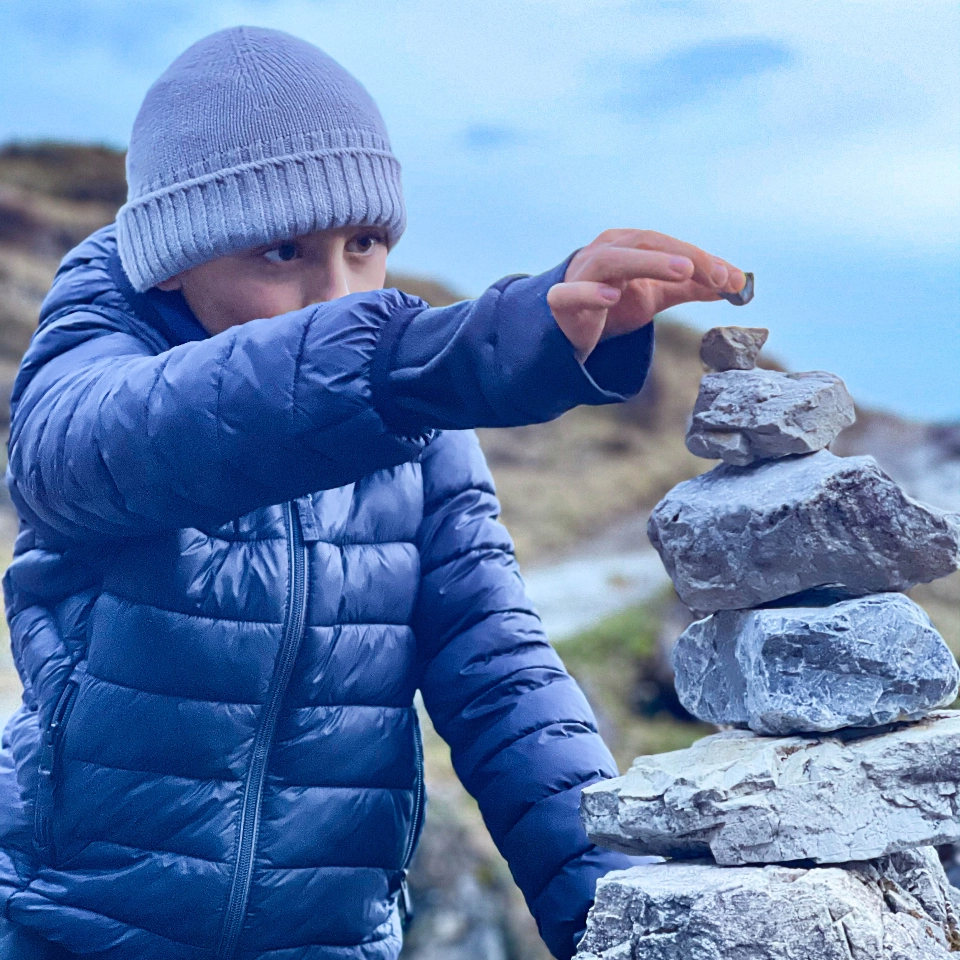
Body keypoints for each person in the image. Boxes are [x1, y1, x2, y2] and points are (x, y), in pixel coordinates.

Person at [0, 25, 746, 960]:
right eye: (282, 252)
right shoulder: (97, 378)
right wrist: (422, 361)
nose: (338, 291)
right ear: (174, 255)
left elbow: (502, 681)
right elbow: (108, 443)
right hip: (70, 932)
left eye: (365, 243)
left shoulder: (415, 431)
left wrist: (628, 923)